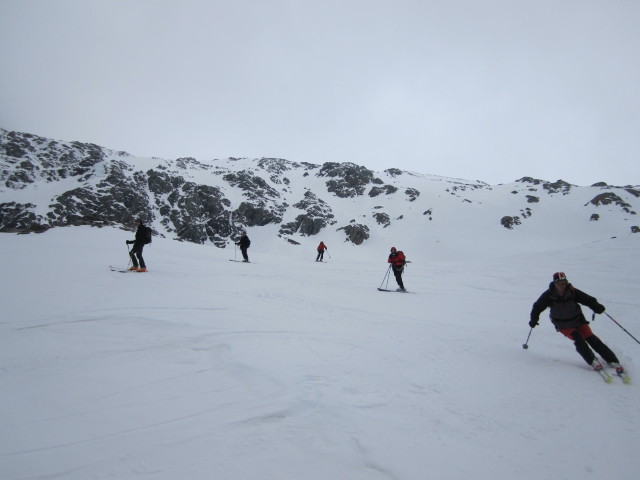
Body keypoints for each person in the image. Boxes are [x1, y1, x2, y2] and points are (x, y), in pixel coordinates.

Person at [529, 272, 624, 374]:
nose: (562, 286)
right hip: (562, 324)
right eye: (559, 283)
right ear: (554, 283)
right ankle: (592, 360)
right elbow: (537, 307)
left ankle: (612, 360)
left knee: (591, 338)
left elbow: (588, 300)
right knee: (578, 338)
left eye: (564, 283)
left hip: (578, 320)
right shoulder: (548, 295)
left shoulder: (572, 292)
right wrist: (534, 319)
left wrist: (596, 307)